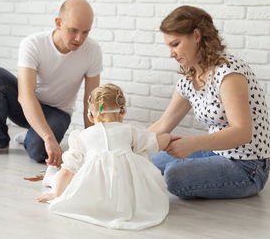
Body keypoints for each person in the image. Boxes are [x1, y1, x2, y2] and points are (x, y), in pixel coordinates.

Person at [148, 5, 270, 199]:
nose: (171, 53)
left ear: (196, 36)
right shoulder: (190, 78)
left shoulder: (228, 72)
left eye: (175, 44)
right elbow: (164, 124)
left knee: (174, 176)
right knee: (148, 159)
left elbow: (242, 132)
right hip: (216, 153)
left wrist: (192, 144)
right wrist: (129, 144)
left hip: (248, 166)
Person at [0, 0, 103, 167]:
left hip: (58, 113)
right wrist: (49, 137)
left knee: (38, 151)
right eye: (73, 30)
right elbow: (25, 96)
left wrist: (90, 144)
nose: (79, 38)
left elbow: (90, 102)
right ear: (58, 23)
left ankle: (32, 137)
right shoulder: (33, 44)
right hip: (27, 105)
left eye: (86, 32)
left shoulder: (92, 51)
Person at [37, 83, 171, 230]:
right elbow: (153, 143)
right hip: (125, 192)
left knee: (70, 177)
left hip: (95, 190)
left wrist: (56, 195)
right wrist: (169, 138)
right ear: (123, 112)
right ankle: (50, 179)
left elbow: (68, 170)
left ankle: (51, 179)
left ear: (90, 115)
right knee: (141, 153)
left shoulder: (83, 136)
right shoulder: (130, 130)